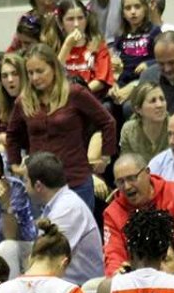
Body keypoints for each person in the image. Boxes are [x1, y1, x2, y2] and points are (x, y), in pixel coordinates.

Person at [6, 43, 116, 210]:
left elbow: (107, 122)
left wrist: (106, 157)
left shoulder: (75, 93)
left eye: (40, 71)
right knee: (45, 234)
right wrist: (14, 164)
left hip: (75, 180)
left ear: (54, 68)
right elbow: (12, 135)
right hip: (40, 185)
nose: (35, 77)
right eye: (30, 73)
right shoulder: (24, 101)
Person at [103, 153, 174, 275]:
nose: (127, 186)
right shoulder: (112, 213)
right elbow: (113, 254)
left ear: (147, 172)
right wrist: (116, 272)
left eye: (132, 178)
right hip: (137, 279)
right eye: (120, 182)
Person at [9, 152, 103, 285]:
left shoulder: (67, 209)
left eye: (26, 181)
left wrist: (22, 285)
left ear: (38, 186)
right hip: (58, 281)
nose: (25, 188)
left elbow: (46, 262)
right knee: (9, 248)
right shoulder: (56, 205)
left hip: (79, 286)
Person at [109, 0, 161, 103]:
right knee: (107, 105)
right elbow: (115, 59)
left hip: (145, 81)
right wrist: (114, 65)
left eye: (137, 7)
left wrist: (149, 63)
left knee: (128, 107)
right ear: (122, 12)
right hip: (123, 80)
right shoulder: (120, 35)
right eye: (128, 8)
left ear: (145, 9)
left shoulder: (154, 32)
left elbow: (162, 59)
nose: (133, 12)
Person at [58, 0, 114, 101]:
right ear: (61, 23)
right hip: (63, 99)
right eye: (70, 19)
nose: (76, 24)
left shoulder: (98, 45)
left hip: (92, 98)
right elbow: (54, 77)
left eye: (80, 18)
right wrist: (67, 46)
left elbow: (100, 81)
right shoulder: (56, 46)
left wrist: (79, 94)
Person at [119, 83, 169, 160]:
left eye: (162, 99)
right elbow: (127, 163)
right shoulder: (128, 131)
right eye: (153, 101)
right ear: (138, 109)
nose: (160, 105)